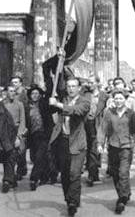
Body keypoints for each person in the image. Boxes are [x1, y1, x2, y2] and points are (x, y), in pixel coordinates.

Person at [49, 78, 91, 217]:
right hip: (62, 141)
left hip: (77, 142)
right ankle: (70, 199)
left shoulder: (84, 101)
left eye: (74, 86)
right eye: (69, 86)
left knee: (74, 173)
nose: (71, 89)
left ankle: (72, 203)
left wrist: (58, 105)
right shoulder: (63, 99)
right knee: (65, 174)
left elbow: (76, 111)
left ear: (79, 88)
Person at [97, 88, 135, 214]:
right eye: (116, 98)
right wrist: (100, 143)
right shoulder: (108, 113)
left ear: (125, 100)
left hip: (127, 146)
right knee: (115, 173)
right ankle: (125, 192)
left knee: (123, 172)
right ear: (113, 100)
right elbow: (103, 128)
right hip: (113, 146)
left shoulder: (131, 113)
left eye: (120, 98)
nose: (118, 101)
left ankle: (121, 199)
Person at [0, 85, 26, 193]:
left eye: (14, 91)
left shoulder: (19, 105)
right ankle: (13, 178)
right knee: (4, 157)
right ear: (6, 92)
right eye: (10, 91)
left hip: (14, 133)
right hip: (3, 134)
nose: (12, 93)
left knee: (12, 156)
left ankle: (6, 180)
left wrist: (18, 137)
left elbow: (22, 121)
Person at [26, 84, 53, 190]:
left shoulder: (44, 104)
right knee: (35, 157)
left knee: (39, 156)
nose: (35, 95)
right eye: (33, 93)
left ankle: (34, 178)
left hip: (44, 134)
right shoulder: (27, 107)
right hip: (33, 136)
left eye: (37, 93)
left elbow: (50, 92)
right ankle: (45, 176)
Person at [84, 74, 108, 187]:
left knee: (94, 148)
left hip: (98, 124)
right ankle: (94, 173)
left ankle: (92, 175)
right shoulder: (85, 94)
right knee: (88, 148)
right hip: (86, 124)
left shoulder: (104, 96)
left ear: (98, 83)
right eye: (88, 82)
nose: (89, 84)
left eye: (91, 82)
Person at [11, 75, 28, 180]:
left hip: (23, 124)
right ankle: (21, 169)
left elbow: (26, 111)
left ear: (20, 83)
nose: (14, 84)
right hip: (14, 125)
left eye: (16, 82)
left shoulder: (24, 94)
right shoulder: (13, 93)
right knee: (17, 149)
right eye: (12, 82)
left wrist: (25, 126)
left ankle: (21, 170)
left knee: (21, 149)